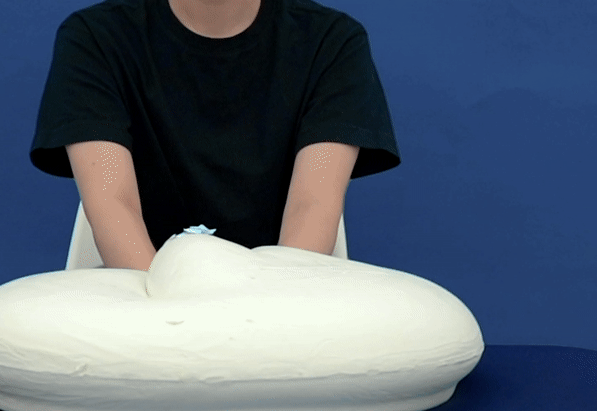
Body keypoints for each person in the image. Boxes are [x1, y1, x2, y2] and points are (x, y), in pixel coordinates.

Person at [29, 0, 400, 270]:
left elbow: (313, 206)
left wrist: (266, 319)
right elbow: (113, 205)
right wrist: (168, 318)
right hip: (142, 304)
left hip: (280, 305)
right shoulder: (95, 39)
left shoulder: (331, 43)